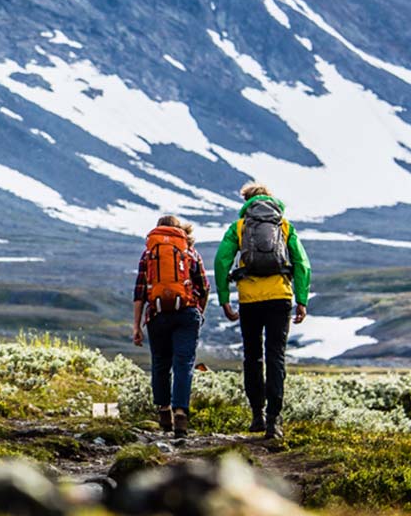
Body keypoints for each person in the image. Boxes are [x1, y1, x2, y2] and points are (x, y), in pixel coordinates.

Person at [214, 182, 309, 439]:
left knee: (253, 356)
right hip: (280, 297)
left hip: (250, 299)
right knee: (276, 356)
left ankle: (256, 414)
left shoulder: (240, 227)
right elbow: (301, 263)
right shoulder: (284, 225)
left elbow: (222, 261)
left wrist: (224, 298)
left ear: (245, 200)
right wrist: (301, 300)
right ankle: (273, 420)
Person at [132, 215, 210, 438]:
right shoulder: (190, 253)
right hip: (186, 313)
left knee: (160, 363)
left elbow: (139, 293)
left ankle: (164, 411)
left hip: (157, 315)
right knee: (183, 363)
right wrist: (198, 313)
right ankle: (180, 413)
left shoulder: (148, 254)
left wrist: (136, 326)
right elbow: (204, 287)